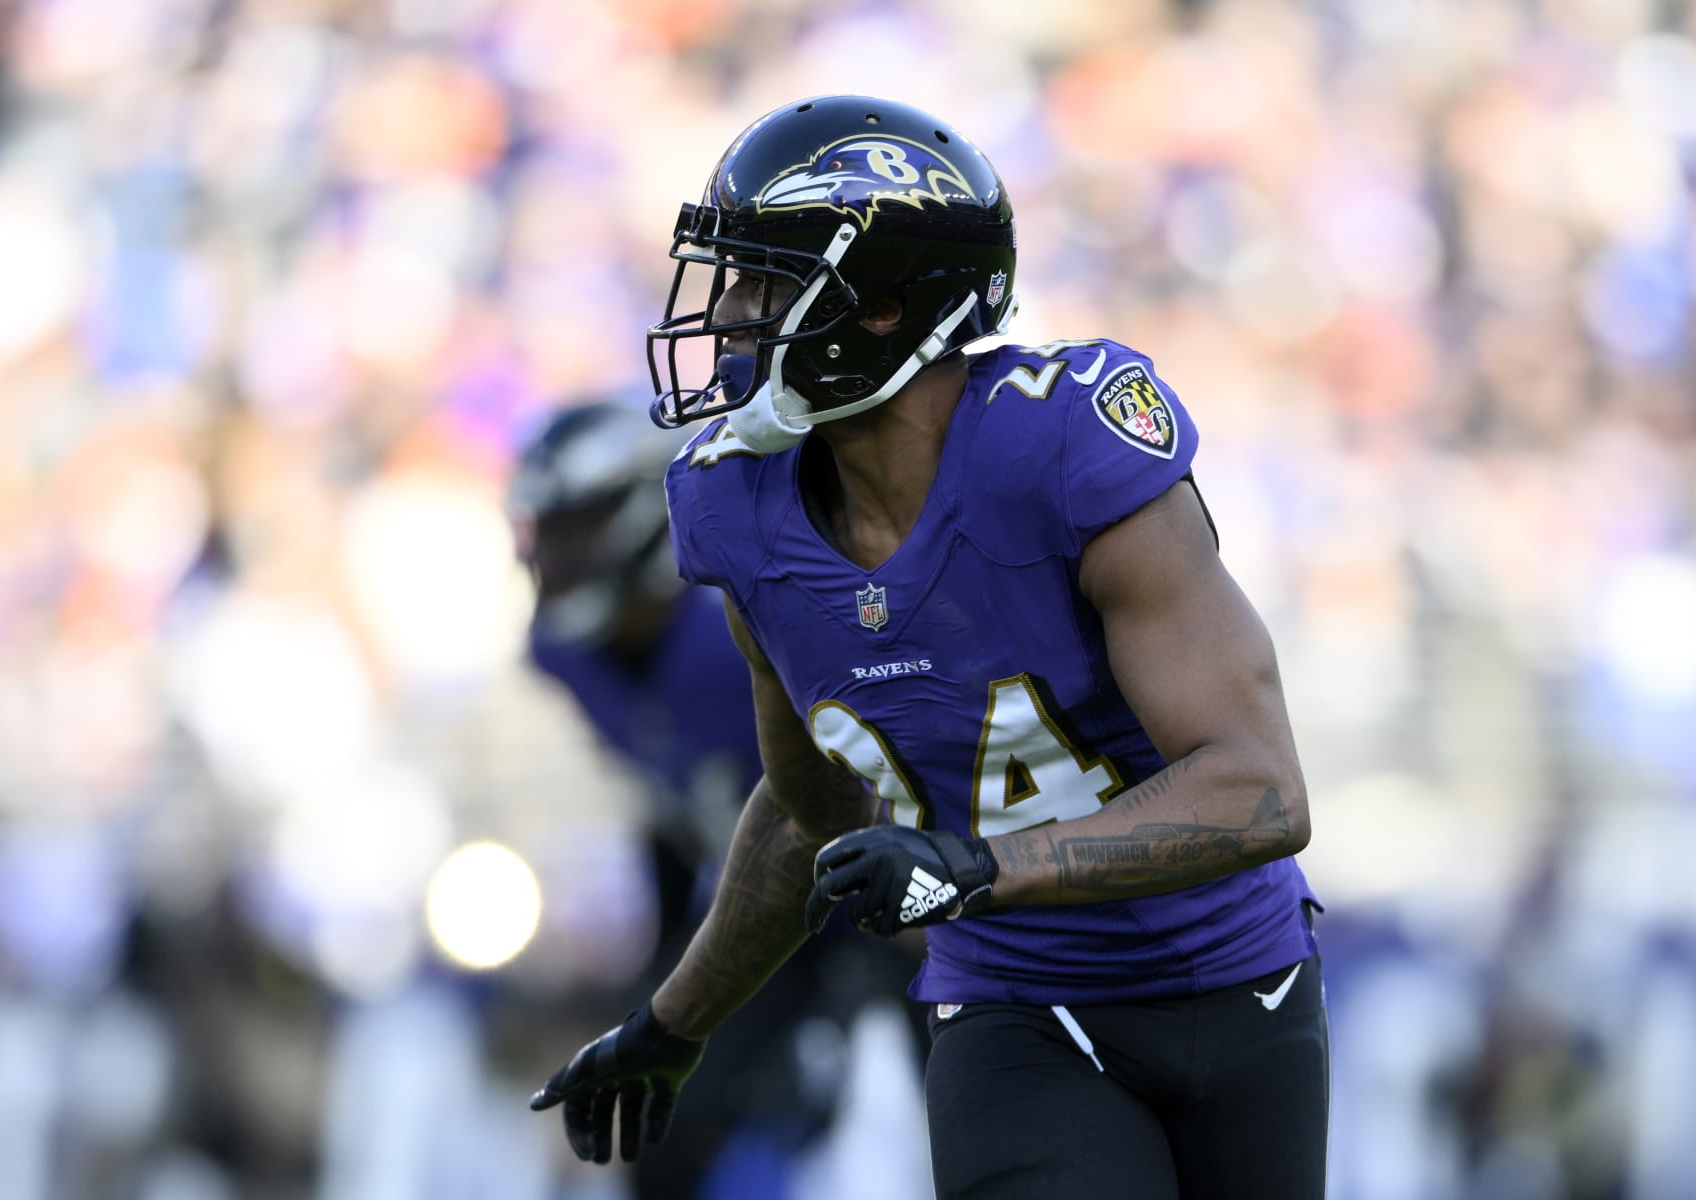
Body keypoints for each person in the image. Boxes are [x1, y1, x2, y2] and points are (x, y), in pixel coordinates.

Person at [531, 95, 1329, 1199]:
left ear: (882, 310)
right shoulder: (734, 507)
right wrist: (673, 1021)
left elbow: (1259, 793)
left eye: (766, 282)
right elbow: (808, 808)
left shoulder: (1064, 441)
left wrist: (978, 869)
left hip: (1238, 986)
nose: (731, 318)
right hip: (1011, 1009)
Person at [509, 401, 930, 1199]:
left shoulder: (733, 627)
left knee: (931, 1113)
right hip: (763, 905)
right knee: (651, 1128)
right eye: (547, 535)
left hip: (883, 894)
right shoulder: (570, 656)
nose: (555, 560)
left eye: (577, 529)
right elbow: (670, 802)